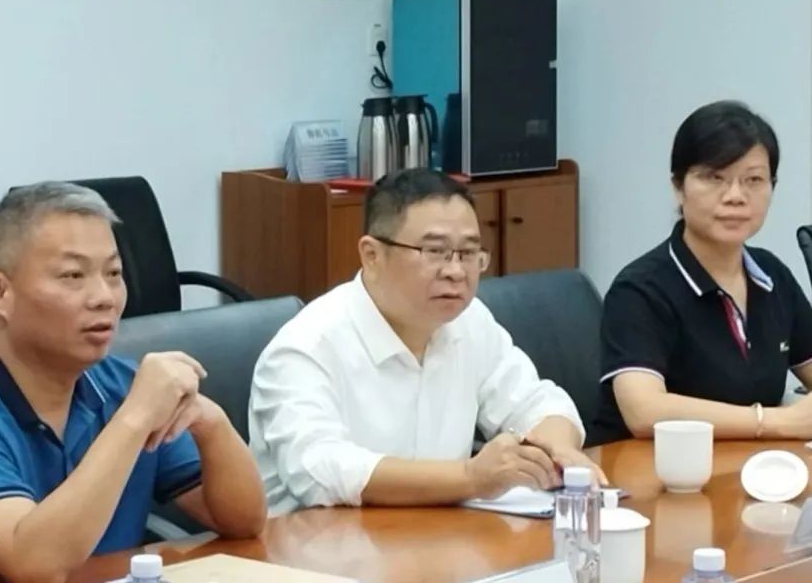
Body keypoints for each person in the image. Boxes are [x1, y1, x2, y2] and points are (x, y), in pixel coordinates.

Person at [0, 182, 266, 582]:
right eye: (73, 275)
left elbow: (243, 523)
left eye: (114, 273)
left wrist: (209, 422)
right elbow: (35, 565)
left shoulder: (120, 386)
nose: (104, 297)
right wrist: (134, 419)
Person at [248, 168, 603, 517]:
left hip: (437, 537)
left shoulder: (469, 322)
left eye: (468, 254)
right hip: (317, 545)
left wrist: (559, 450)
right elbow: (320, 470)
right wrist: (470, 478)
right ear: (372, 255)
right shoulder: (305, 347)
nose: (456, 272)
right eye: (435, 251)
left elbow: (536, 402)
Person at [596, 100, 812, 441]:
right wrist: (778, 421)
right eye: (714, 177)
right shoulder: (640, 289)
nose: (735, 196)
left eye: (754, 180)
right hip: (650, 467)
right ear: (678, 187)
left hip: (752, 463)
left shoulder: (770, 274)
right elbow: (644, 411)